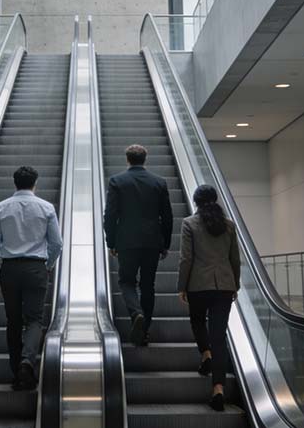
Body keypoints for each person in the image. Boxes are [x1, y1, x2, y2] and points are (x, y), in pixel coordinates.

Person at [0, 166, 63, 390]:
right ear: (35, 183)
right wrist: (47, 265)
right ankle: (27, 362)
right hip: (36, 268)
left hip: (9, 269)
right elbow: (57, 243)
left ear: (15, 183)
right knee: (34, 319)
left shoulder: (0, 208)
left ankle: (15, 372)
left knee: (13, 320)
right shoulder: (46, 207)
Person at [177, 185, 240, 411]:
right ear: (215, 199)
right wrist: (235, 284)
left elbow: (186, 258)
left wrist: (182, 286)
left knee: (197, 321)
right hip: (224, 286)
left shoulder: (189, 223)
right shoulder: (229, 225)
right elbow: (235, 259)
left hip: (198, 285)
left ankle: (206, 353)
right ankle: (218, 389)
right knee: (219, 337)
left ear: (195, 202)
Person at [104, 144, 173, 346]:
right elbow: (167, 216)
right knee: (148, 285)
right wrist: (165, 243)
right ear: (145, 159)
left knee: (127, 282)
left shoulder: (117, 181)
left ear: (128, 160)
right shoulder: (159, 182)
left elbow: (110, 215)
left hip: (126, 241)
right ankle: (144, 331)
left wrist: (111, 241)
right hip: (152, 241)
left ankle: (136, 314)